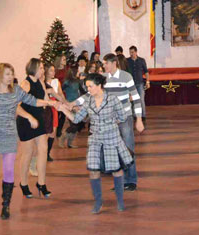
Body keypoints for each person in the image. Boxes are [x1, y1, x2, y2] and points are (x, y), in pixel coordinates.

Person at [0, 63, 55, 220]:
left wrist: (49, 103)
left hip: (10, 137)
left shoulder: (16, 91)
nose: (11, 77)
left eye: (12, 74)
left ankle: (6, 206)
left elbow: (33, 101)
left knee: (8, 171)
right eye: (7, 74)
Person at [59, 73, 135, 213]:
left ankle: (120, 201)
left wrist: (111, 124)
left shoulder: (112, 99)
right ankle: (98, 202)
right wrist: (63, 109)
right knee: (93, 171)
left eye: (90, 86)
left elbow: (123, 117)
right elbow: (77, 119)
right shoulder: (88, 101)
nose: (88, 89)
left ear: (99, 85)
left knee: (116, 170)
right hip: (95, 139)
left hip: (112, 139)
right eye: (87, 87)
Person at [74, 54, 144, 190]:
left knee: (128, 148)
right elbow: (90, 94)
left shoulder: (126, 77)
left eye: (106, 63)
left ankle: (131, 180)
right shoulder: (104, 78)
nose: (103, 65)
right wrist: (74, 103)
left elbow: (136, 98)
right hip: (110, 120)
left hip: (125, 117)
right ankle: (120, 182)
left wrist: (139, 119)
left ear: (114, 63)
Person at [16, 58, 53, 199]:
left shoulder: (40, 82)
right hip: (26, 121)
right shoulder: (25, 84)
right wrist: (29, 117)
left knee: (43, 150)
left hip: (39, 120)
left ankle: (41, 183)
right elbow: (16, 106)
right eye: (41, 68)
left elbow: (45, 101)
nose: (43, 70)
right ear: (33, 68)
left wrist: (58, 104)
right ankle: (24, 183)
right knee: (28, 153)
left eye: (43, 68)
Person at [127, 45, 150, 122]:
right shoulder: (127, 61)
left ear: (136, 52)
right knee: (132, 100)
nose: (131, 54)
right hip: (131, 84)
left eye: (132, 52)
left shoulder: (141, 60)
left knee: (141, 100)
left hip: (140, 83)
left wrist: (148, 81)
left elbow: (146, 72)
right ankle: (134, 115)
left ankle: (143, 116)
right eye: (130, 52)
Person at [60, 67, 81, 148]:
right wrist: (64, 101)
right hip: (69, 105)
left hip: (77, 105)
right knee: (74, 124)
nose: (79, 72)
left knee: (76, 125)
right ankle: (63, 137)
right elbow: (60, 91)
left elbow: (82, 91)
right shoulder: (67, 82)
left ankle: (70, 143)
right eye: (77, 71)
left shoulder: (78, 81)